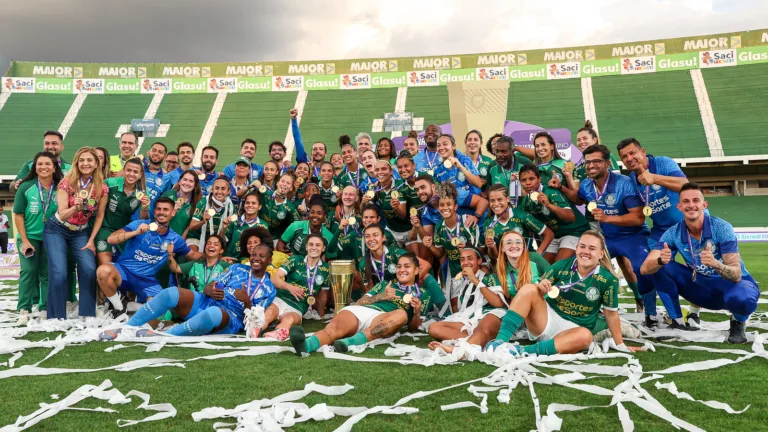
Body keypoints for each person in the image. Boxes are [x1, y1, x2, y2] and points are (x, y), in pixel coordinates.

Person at [560, 145, 673, 329]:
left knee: (641, 268)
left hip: (633, 236)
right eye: (588, 162)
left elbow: (638, 217)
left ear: (606, 163)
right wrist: (562, 188)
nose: (591, 166)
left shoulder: (624, 183)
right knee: (582, 264)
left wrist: (607, 218)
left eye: (596, 161)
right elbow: (578, 198)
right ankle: (581, 310)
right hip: (606, 239)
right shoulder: (588, 185)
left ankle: (650, 313)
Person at [485, 231, 642, 356]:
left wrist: (620, 344)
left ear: (601, 254)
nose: (585, 252)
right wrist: (542, 286)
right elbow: (538, 291)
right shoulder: (561, 266)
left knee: (585, 337)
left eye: (592, 248)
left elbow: (611, 314)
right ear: (576, 248)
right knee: (529, 288)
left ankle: (521, 352)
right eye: (582, 246)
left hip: (574, 330)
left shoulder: (608, 280)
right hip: (547, 320)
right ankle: (499, 343)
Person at [641, 183, 759, 344]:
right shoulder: (672, 233)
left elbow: (736, 274)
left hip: (729, 285)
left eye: (695, 200)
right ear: (679, 206)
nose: (691, 205)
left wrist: (716, 264)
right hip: (701, 288)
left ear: (704, 205)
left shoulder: (722, 228)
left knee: (744, 299)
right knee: (660, 267)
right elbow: (644, 269)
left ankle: (738, 321)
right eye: (686, 201)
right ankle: (678, 322)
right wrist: (661, 260)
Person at [98, 244, 274, 339]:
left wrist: (247, 302)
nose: (256, 258)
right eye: (253, 254)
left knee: (213, 313)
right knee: (171, 292)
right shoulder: (237, 268)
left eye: (261, 256)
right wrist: (211, 291)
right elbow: (210, 285)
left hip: (230, 318)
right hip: (209, 301)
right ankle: (126, 327)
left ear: (270, 260)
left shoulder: (269, 288)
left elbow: (256, 323)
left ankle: (163, 336)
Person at [289, 253, 432, 355]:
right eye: (399, 266)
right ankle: (306, 345)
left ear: (417, 270)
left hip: (384, 319)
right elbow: (359, 302)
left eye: (407, 266)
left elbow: (413, 327)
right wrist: (382, 295)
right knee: (332, 329)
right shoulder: (384, 284)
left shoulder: (423, 294)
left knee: (401, 314)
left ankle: (349, 342)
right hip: (364, 311)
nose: (401, 270)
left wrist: (417, 311)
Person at [618, 137, 692, 326]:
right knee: (648, 266)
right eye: (624, 156)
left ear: (643, 151)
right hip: (661, 230)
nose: (629, 158)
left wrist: (655, 178)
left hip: (688, 225)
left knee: (700, 268)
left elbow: (686, 186)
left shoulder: (663, 163)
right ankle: (652, 315)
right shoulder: (632, 180)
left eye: (632, 153)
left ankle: (696, 312)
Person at [428, 234, 540, 350]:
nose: (465, 262)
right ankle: (477, 340)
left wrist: (476, 281)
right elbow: (457, 307)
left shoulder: (490, 277)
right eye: (462, 259)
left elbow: (498, 303)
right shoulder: (459, 280)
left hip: (492, 313)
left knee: (483, 327)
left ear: (479, 261)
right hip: (470, 318)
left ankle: (460, 350)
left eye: (470, 258)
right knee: (433, 328)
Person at [96, 197, 203, 318]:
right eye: (158, 209)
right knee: (103, 271)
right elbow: (111, 239)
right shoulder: (140, 224)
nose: (161, 212)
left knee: (161, 309)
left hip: (146, 280)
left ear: (173, 213)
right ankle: (119, 307)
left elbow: (192, 255)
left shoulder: (174, 238)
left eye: (166, 209)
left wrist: (216, 257)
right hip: (124, 272)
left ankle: (131, 306)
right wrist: (135, 232)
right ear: (155, 211)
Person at [44, 147, 108, 319]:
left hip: (81, 232)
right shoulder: (67, 182)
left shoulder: (102, 187)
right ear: (76, 163)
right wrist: (75, 207)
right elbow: (63, 213)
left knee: (88, 268)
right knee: (59, 272)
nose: (85, 163)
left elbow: (100, 215)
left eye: (89, 160)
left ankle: (87, 314)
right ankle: (56, 316)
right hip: (57, 228)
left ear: (96, 164)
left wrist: (92, 240)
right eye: (82, 160)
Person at [13, 152, 64, 324]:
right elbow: (18, 214)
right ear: (35, 167)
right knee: (28, 271)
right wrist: (25, 240)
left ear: (54, 167)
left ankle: (44, 308)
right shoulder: (26, 187)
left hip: (52, 237)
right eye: (40, 164)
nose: (43, 167)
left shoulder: (61, 187)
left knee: (47, 273)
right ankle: (24, 309)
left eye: (47, 164)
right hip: (29, 237)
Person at [261, 233, 331, 339]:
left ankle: (278, 333)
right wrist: (289, 287)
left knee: (289, 320)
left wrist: (321, 314)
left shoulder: (326, 269)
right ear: (306, 247)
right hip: (281, 299)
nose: (314, 248)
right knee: (269, 313)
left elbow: (323, 292)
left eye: (318, 245)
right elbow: (274, 278)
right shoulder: (295, 259)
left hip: (299, 307)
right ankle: (256, 329)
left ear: (323, 248)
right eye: (311, 244)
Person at [423, 183, 483, 307]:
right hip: (455, 272)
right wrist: (430, 246)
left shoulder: (467, 222)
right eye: (442, 205)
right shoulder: (439, 227)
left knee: (475, 304)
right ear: (438, 208)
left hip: (474, 270)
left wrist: (468, 247)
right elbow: (440, 254)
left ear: (455, 206)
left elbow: (482, 251)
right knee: (455, 307)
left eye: (449, 204)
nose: (445, 208)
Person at [518, 163, 589, 263]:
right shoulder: (526, 202)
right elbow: (531, 229)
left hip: (574, 231)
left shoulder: (550, 192)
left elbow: (571, 217)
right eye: (523, 180)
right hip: (554, 236)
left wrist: (549, 205)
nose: (528, 183)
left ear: (539, 179)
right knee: (543, 267)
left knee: (557, 267)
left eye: (531, 179)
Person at [483, 184, 553, 270]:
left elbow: (549, 234)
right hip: (508, 266)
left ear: (508, 199)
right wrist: (491, 246)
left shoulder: (521, 215)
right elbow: (494, 256)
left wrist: (537, 256)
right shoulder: (488, 224)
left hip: (527, 262)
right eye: (492, 201)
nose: (496, 204)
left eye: (500, 199)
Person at [95, 158, 150, 267]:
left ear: (140, 174)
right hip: (105, 228)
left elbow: (142, 219)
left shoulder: (143, 191)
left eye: (135, 172)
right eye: (129, 170)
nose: (131, 174)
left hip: (125, 231)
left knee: (122, 268)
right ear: (124, 171)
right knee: (106, 266)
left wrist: (144, 208)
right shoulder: (110, 183)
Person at [363, 160, 410, 247]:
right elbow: (366, 210)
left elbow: (403, 215)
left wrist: (396, 208)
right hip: (391, 230)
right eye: (377, 170)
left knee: (413, 258)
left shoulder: (400, 185)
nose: (380, 172)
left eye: (383, 169)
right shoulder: (374, 188)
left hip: (408, 230)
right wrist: (363, 202)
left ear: (391, 171)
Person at [189, 176, 236, 251]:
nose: (219, 192)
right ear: (212, 189)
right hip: (198, 238)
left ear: (229, 191)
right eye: (217, 188)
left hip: (218, 241)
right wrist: (203, 222)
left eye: (223, 189)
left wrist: (223, 229)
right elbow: (191, 226)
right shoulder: (203, 202)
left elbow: (224, 239)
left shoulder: (231, 208)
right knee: (193, 253)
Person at [221, 191, 269, 259]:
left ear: (259, 206)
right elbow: (222, 242)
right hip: (230, 260)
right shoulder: (234, 221)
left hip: (250, 263)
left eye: (254, 203)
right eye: (247, 203)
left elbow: (264, 248)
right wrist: (224, 229)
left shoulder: (264, 225)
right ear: (244, 205)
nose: (250, 205)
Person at [161, 170, 203, 246]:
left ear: (195, 185)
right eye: (185, 179)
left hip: (181, 241)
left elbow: (189, 227)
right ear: (179, 181)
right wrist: (172, 211)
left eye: (191, 181)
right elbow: (158, 218)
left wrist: (180, 243)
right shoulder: (167, 195)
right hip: (162, 237)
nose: (187, 183)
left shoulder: (198, 203)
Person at [485, 136, 531, 204]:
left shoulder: (525, 163)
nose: (499, 155)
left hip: (524, 210)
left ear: (512, 152)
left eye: (503, 151)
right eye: (497, 151)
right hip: (501, 210)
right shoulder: (492, 166)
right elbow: (489, 190)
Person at [260, 173, 302, 238]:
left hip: (275, 240)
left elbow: (299, 226)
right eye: (282, 181)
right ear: (277, 183)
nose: (284, 184)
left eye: (288, 183)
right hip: (258, 235)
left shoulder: (290, 208)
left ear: (291, 188)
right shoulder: (265, 194)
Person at [142, 141, 170, 210]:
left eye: (160, 152)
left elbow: (165, 202)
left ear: (165, 157)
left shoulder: (166, 178)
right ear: (148, 152)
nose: (156, 153)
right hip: (129, 216)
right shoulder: (138, 169)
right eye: (154, 150)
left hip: (150, 219)